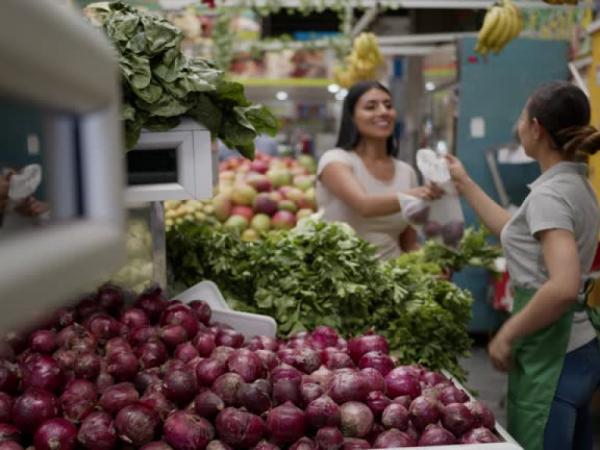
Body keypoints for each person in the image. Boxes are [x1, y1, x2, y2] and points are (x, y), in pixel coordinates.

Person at [446, 81, 600, 450]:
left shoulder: (550, 196)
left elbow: (562, 287)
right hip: (577, 345)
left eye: (521, 117)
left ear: (536, 128)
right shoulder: (575, 185)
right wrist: (464, 182)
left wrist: (507, 333)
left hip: (555, 349)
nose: (517, 125)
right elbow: (514, 231)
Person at [316, 80, 442, 260]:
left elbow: (408, 244)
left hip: (393, 281)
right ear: (352, 117)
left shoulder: (406, 173)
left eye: (388, 105)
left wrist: (431, 266)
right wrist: (420, 193)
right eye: (371, 107)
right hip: (341, 280)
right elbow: (364, 206)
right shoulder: (335, 161)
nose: (383, 112)